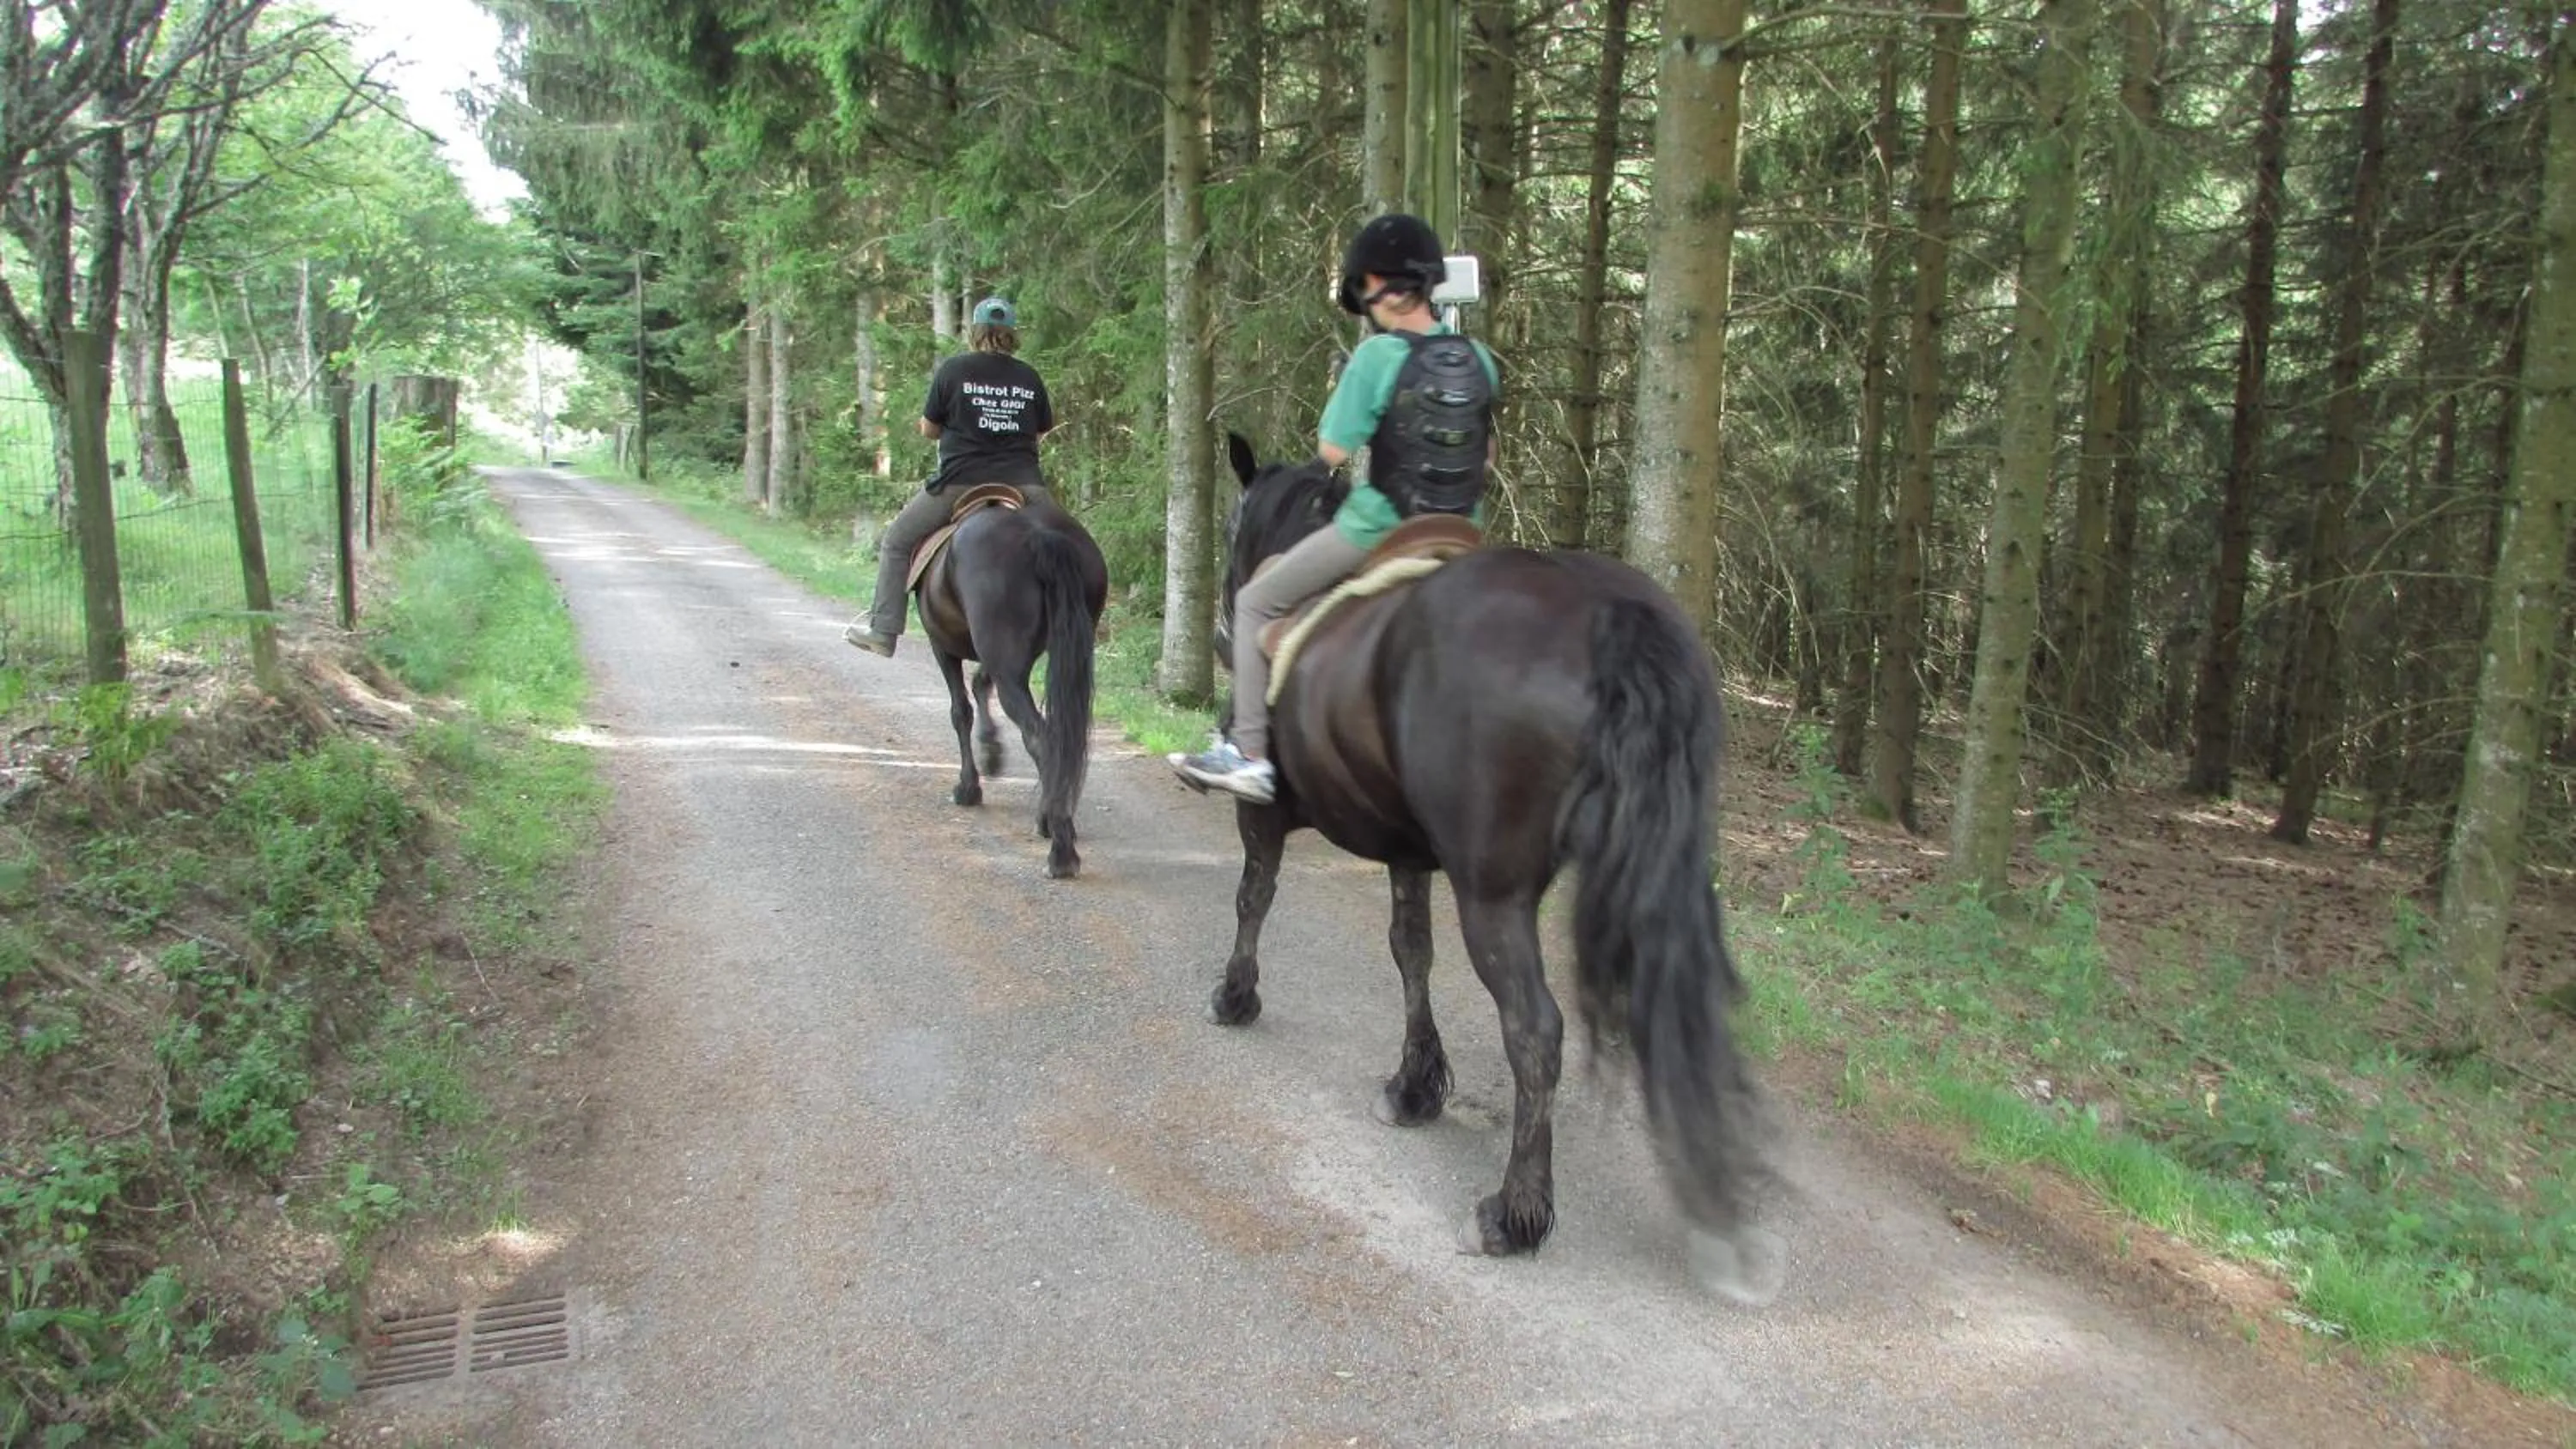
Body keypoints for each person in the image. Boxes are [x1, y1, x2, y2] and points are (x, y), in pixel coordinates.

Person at [1170, 214, 1499, 803]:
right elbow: (1488, 455)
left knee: (1253, 601)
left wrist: (1355, 390)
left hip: (1379, 531)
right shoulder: (1478, 357)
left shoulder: (1377, 356)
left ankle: (1247, 754)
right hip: (1462, 534)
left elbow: (1332, 451)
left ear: (1378, 285)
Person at [845, 296, 1057, 657]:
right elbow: (1040, 433)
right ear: (1012, 334)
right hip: (1024, 483)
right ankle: (1079, 627)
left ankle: (883, 631)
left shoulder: (954, 369)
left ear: (975, 332)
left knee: (896, 542)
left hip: (960, 482)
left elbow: (930, 429)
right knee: (1069, 546)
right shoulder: (1028, 377)